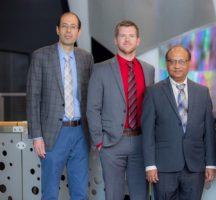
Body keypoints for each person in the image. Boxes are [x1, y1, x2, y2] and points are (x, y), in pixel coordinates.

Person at [26, 12, 93, 200]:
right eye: (64, 26)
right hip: (52, 134)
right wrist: (37, 136)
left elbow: (91, 98)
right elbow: (33, 98)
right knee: (50, 192)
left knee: (80, 191)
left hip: (81, 132)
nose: (68, 30)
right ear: (57, 29)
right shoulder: (40, 56)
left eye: (73, 27)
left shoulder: (86, 58)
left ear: (79, 32)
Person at [86, 20, 155, 200]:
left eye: (131, 36)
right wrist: (99, 141)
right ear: (116, 40)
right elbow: (92, 108)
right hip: (111, 143)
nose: (127, 40)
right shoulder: (100, 69)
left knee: (140, 195)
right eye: (122, 35)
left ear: (138, 40)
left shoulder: (148, 70)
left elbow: (151, 108)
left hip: (141, 142)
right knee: (113, 195)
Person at [142, 45, 216, 200]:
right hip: (163, 168)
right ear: (166, 64)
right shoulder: (153, 92)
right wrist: (150, 165)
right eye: (172, 61)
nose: (176, 66)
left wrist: (211, 163)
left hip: (194, 167)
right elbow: (147, 132)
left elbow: (209, 131)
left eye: (181, 61)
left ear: (189, 63)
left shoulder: (202, 92)